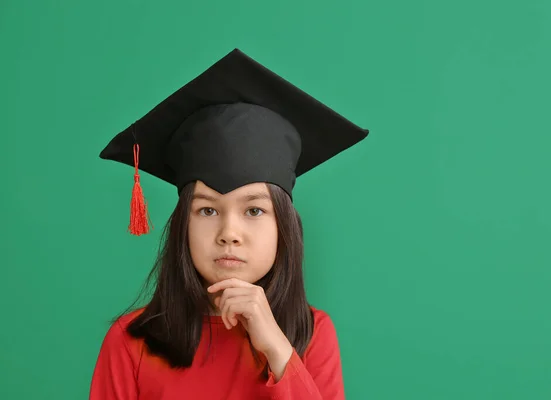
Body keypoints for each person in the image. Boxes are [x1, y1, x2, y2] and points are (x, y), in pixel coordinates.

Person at [90, 48, 369, 399]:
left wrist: (279, 351)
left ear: (284, 228)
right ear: (182, 227)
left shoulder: (312, 333)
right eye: (207, 211)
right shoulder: (131, 340)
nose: (229, 235)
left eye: (254, 211)